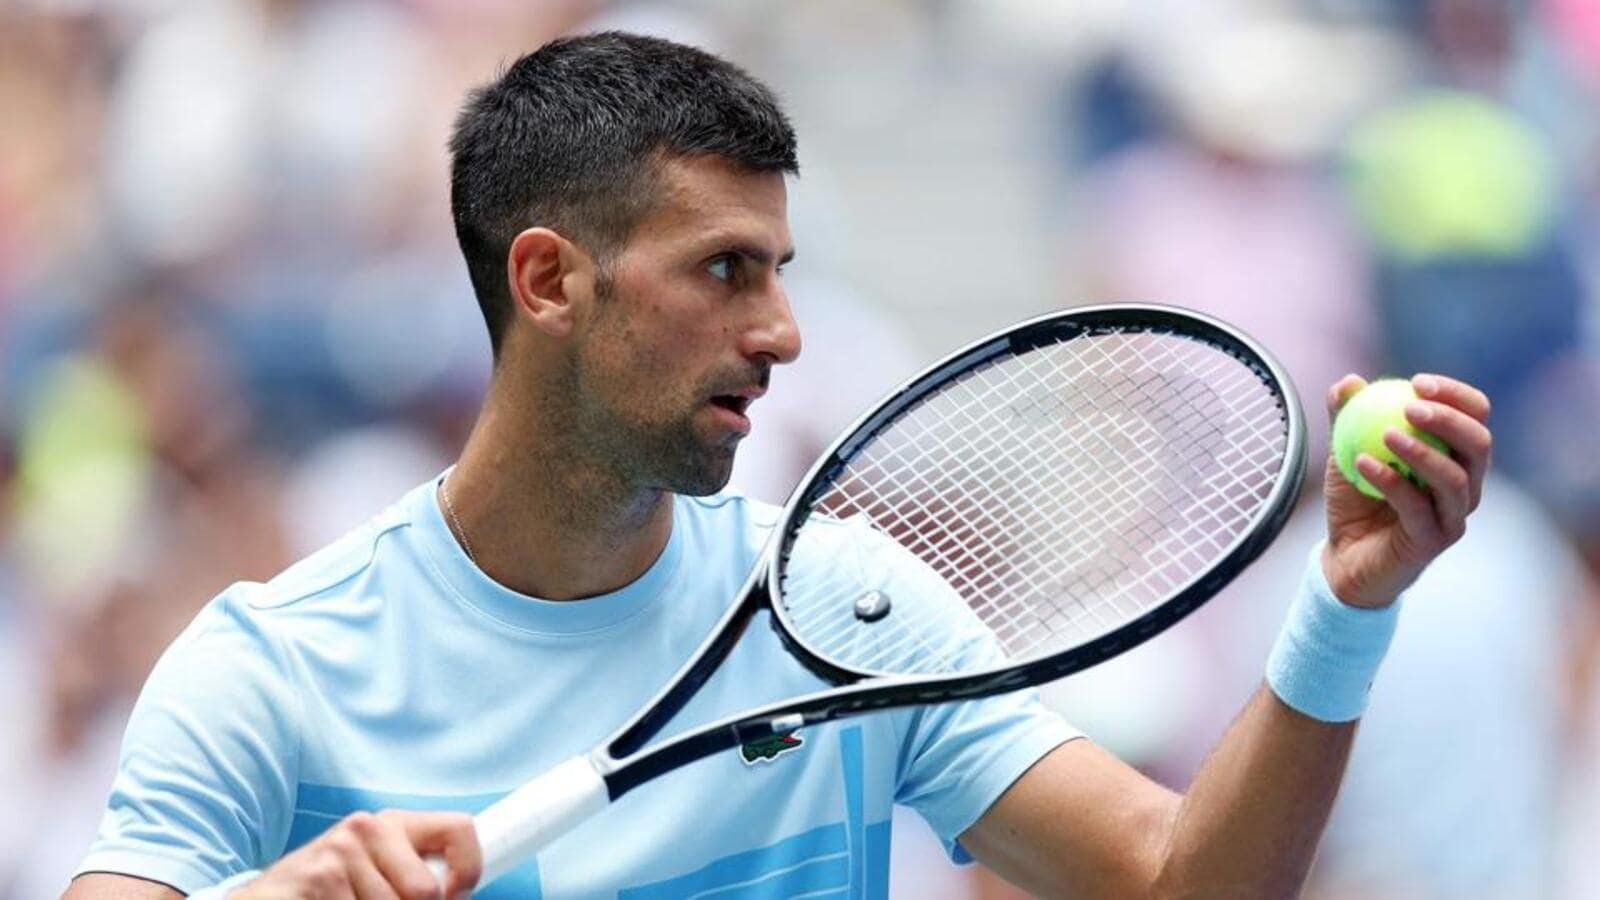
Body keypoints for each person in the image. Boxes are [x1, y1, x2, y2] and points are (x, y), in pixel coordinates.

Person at [66, 32, 1494, 899]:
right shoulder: (272, 668)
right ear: (552, 282)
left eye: (784, 270)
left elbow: (1183, 882)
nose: (784, 332)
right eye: (726, 271)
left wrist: (1347, 606)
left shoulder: (847, 616)